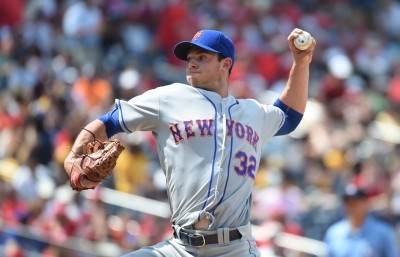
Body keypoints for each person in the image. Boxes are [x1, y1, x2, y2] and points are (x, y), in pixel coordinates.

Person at [64, 28, 316, 257]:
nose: (191, 64)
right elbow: (109, 122)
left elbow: (289, 116)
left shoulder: (253, 112)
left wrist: (301, 63)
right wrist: (73, 155)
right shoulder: (168, 98)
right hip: (181, 247)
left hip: (236, 249)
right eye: (190, 58)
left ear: (225, 64)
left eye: (202, 58)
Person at [324, 183, 399, 257]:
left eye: (355, 202)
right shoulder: (334, 233)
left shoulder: (383, 233)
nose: (351, 206)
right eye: (348, 202)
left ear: (366, 203)